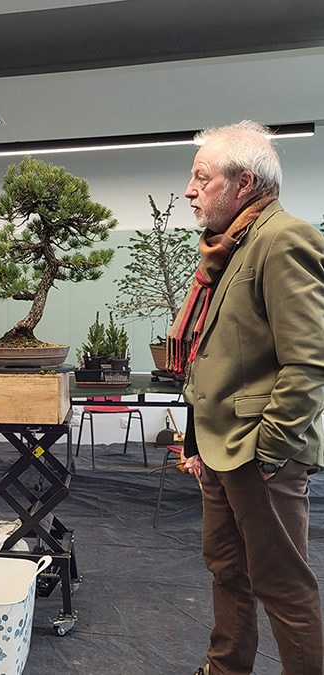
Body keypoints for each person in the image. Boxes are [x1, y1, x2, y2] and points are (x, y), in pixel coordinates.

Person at [166, 120, 324, 675]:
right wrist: (198, 443)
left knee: (282, 585)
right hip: (220, 450)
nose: (189, 190)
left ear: (244, 183)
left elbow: (307, 361)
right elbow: (215, 357)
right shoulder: (230, 247)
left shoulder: (283, 239)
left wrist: (268, 451)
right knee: (227, 570)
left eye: (200, 178)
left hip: (260, 456)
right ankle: (225, 668)